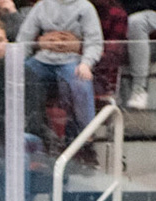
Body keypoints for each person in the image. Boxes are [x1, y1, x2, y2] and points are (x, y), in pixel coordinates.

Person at [21, 0, 101, 128]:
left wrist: (86, 63)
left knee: (81, 82)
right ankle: (27, 128)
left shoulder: (85, 7)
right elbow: (24, 38)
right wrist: (37, 46)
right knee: (21, 74)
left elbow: (94, 42)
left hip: (72, 61)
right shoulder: (41, 6)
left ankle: (87, 133)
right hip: (42, 60)